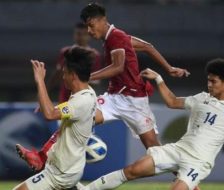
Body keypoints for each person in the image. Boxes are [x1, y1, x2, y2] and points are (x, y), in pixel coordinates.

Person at [16, 2, 189, 172]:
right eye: (87, 27)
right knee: (76, 119)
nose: (89, 32)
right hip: (114, 98)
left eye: (91, 26)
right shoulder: (115, 38)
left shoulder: (116, 37)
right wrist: (169, 68)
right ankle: (41, 157)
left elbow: (118, 66)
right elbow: (147, 46)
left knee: (154, 149)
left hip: (135, 102)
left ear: (102, 20)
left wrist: (86, 77)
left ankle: (183, 175)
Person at [80, 58, 224, 190]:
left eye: (214, 81)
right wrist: (159, 78)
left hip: (198, 161)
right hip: (177, 150)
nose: (209, 84)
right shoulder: (201, 98)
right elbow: (172, 101)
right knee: (132, 170)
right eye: (208, 80)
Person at [13, 47, 97, 190]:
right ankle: (40, 158)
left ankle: (40, 159)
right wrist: (50, 105)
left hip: (61, 173)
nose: (63, 77)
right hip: (69, 168)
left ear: (73, 75)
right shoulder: (87, 92)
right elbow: (64, 111)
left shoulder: (81, 101)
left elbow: (49, 114)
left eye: (65, 73)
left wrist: (40, 80)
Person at [48, 22, 101, 103]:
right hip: (65, 96)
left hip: (84, 98)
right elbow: (58, 73)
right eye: (78, 34)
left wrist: (77, 81)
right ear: (74, 35)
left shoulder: (94, 55)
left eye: (84, 34)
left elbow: (97, 80)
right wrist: (46, 90)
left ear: (89, 36)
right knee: (64, 115)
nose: (81, 37)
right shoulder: (65, 52)